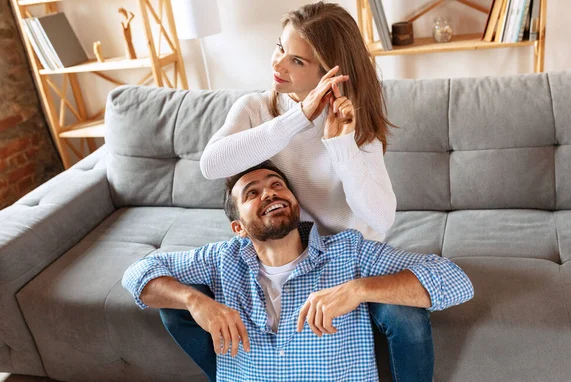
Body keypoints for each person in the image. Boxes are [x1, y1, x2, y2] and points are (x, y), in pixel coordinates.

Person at [186, 2, 435, 381]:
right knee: (178, 306)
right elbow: (212, 164)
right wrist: (298, 118)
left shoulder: (355, 123)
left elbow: (380, 218)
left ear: (331, 74)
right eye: (279, 48)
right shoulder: (256, 108)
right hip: (285, 251)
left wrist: (341, 145)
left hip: (347, 258)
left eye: (298, 62)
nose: (279, 65)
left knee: (408, 319)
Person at [122, 162, 474, 382]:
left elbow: (454, 280)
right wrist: (196, 302)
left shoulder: (347, 252)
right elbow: (139, 272)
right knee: (172, 306)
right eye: (253, 193)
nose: (270, 193)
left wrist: (358, 289)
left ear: (295, 204)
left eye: (277, 185)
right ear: (238, 228)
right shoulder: (221, 259)